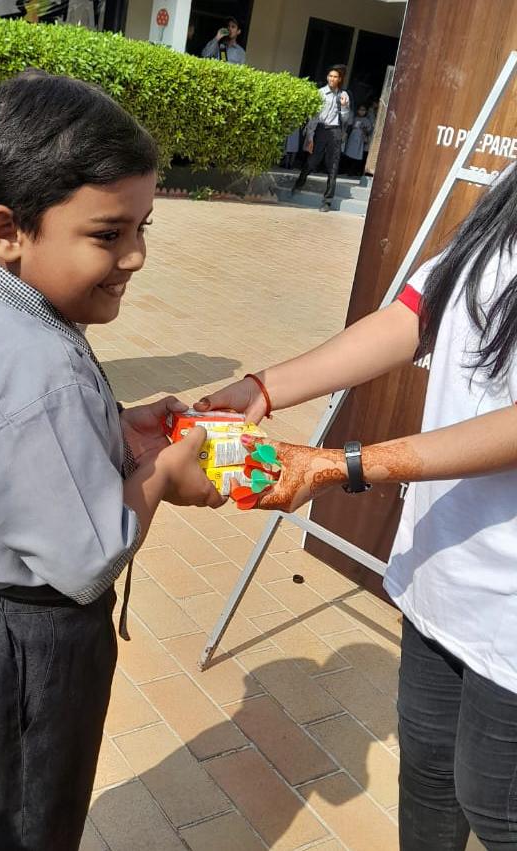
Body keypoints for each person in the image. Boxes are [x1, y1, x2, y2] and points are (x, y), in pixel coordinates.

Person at [194, 163, 517, 850]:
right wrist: (263, 388)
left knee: (497, 805)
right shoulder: (507, 194)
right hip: (444, 571)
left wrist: (340, 464)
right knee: (428, 773)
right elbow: (412, 317)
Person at [0, 70, 222, 851]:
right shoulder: (43, 371)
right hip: (24, 653)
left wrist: (118, 426)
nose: (136, 256)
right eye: (108, 234)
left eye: (144, 227)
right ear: (8, 230)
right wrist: (160, 475)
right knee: (27, 815)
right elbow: (85, 558)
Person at [292, 65, 351, 211]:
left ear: (340, 79)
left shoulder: (343, 95)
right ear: (327, 77)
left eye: (335, 77)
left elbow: (345, 119)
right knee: (312, 160)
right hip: (320, 130)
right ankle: (299, 183)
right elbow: (314, 117)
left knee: (333, 166)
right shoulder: (320, 93)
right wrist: (310, 136)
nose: (332, 79)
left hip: (335, 132)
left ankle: (327, 201)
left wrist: (344, 107)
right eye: (330, 76)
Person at [343, 104, 372, 177]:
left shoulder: (367, 120)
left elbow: (369, 130)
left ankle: (353, 171)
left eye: (363, 110)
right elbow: (350, 127)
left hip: (360, 140)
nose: (362, 112)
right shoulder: (355, 118)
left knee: (357, 156)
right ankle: (347, 170)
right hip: (352, 138)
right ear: (358, 110)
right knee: (349, 154)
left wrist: (364, 129)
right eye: (360, 110)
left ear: (366, 111)